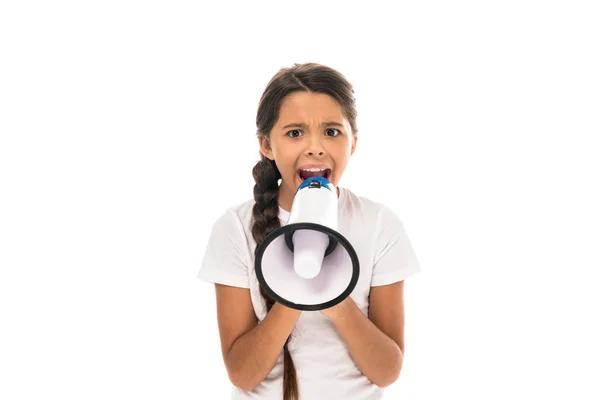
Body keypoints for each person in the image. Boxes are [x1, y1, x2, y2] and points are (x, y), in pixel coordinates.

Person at [197, 62, 421, 400]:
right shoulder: (234, 228)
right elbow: (243, 374)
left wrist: (332, 297)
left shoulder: (378, 224)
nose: (315, 147)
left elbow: (386, 371)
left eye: (332, 132)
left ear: (353, 143)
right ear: (266, 144)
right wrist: (293, 291)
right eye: (295, 132)